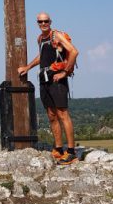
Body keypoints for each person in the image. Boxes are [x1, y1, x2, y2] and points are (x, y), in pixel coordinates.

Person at [17, 12, 79, 165]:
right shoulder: (40, 38)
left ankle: (71, 152)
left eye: (46, 21)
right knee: (51, 114)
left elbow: (73, 51)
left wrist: (65, 72)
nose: (43, 24)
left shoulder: (56, 36)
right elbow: (42, 55)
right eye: (40, 21)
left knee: (62, 113)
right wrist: (28, 67)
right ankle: (58, 148)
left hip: (57, 79)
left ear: (50, 22)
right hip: (44, 79)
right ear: (37, 23)